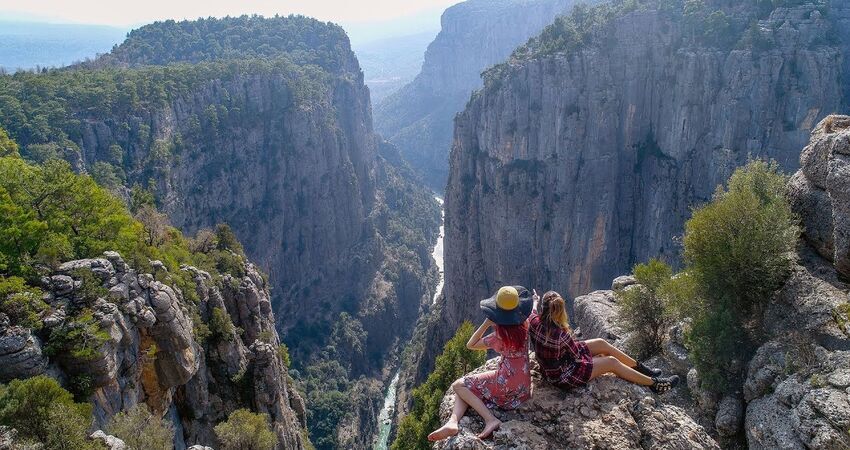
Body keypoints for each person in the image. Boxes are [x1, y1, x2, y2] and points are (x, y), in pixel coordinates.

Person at [428, 286, 534, 442]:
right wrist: (535, 303)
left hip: (506, 385)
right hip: (523, 388)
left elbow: (471, 344)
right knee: (468, 388)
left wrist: (486, 322)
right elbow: (532, 314)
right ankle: (452, 422)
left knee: (459, 386)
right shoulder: (526, 327)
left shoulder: (498, 337)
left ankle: (490, 420)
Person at [528, 290, 680, 393]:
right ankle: (654, 384)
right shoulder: (562, 335)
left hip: (552, 369)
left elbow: (532, 311)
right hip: (563, 376)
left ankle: (643, 370)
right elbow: (576, 357)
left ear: (544, 308)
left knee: (601, 343)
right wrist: (598, 361)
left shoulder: (534, 321)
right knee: (611, 362)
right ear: (560, 311)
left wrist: (535, 301)